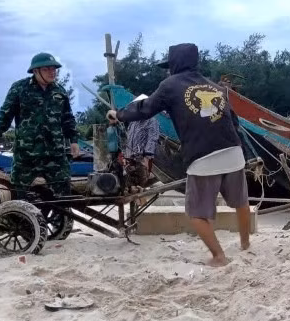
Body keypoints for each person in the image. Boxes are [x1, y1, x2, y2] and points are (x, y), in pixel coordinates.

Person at [107, 43, 251, 267]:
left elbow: (145, 108)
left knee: (196, 213)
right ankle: (245, 245)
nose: (167, 71)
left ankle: (219, 256)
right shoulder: (216, 87)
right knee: (240, 201)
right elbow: (234, 121)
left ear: (174, 65)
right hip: (234, 152)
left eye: (168, 67)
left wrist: (119, 114)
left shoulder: (170, 85)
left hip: (202, 156)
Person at [0, 52, 80, 198]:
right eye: (46, 69)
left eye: (53, 69)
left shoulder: (60, 91)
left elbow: (68, 118)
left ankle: (62, 214)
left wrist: (73, 140)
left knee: (63, 196)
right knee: (19, 197)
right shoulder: (19, 89)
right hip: (26, 154)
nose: (52, 72)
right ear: (35, 71)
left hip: (55, 154)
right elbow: (5, 115)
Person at [121, 94, 161, 191]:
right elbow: (129, 139)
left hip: (142, 159)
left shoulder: (152, 121)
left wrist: (147, 157)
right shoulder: (133, 123)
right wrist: (125, 155)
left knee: (140, 186)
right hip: (130, 158)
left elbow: (152, 139)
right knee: (130, 186)